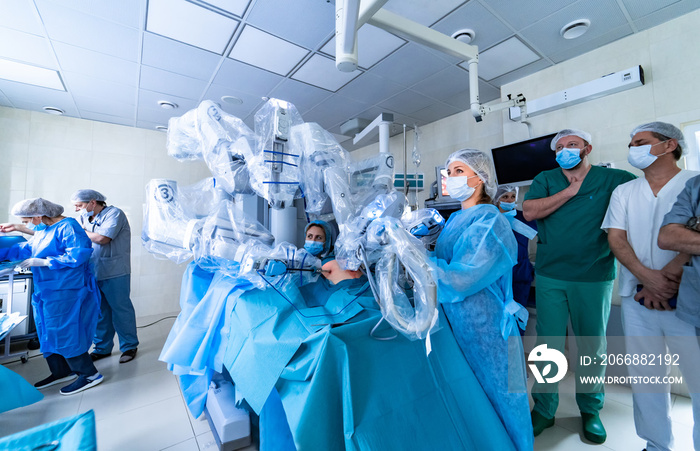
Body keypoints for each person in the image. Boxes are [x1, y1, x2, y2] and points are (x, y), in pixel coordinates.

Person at [523, 128, 636, 443]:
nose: (565, 150)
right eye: (559, 147)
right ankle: (544, 409)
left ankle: (590, 409)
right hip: (550, 274)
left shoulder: (613, 179)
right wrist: (570, 192)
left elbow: (644, 198)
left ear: (587, 148)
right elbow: (530, 210)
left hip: (593, 274)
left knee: (591, 346)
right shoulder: (546, 179)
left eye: (572, 145)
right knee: (548, 346)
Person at [603, 121, 700, 451]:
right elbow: (616, 239)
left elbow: (693, 241)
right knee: (647, 379)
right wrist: (647, 277)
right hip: (637, 299)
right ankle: (656, 445)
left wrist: (668, 278)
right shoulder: (625, 191)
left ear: (669, 145)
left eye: (641, 142)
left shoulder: (694, 184)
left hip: (689, 298)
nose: (633, 149)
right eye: (631, 143)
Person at [433, 149, 533, 451]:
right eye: (449, 173)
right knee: (471, 396)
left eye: (459, 171)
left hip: (487, 326)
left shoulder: (491, 222)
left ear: (481, 178)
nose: (450, 179)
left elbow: (460, 279)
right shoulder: (456, 219)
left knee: (503, 397)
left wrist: (419, 260)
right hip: (458, 323)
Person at [0, 198, 103, 395]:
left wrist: (45, 262)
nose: (27, 224)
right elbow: (28, 248)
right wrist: (4, 254)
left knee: (65, 331)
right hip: (46, 288)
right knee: (45, 331)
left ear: (38, 215)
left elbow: (78, 255)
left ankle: (89, 374)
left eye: (27, 219)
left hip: (65, 288)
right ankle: (61, 371)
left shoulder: (69, 227)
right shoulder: (43, 229)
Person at [71, 189, 138, 364]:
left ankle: (129, 346)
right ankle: (102, 348)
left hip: (115, 270)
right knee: (100, 311)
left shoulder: (115, 214)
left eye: (80, 205)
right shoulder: (84, 218)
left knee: (120, 309)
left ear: (93, 202)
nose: (77, 210)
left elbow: (102, 238)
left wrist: (81, 232)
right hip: (93, 271)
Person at [494, 184, 538, 318]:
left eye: (513, 196)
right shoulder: (490, 218)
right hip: (496, 275)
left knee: (518, 318)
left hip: (520, 275)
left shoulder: (523, 218)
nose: (509, 200)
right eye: (505, 197)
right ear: (496, 199)